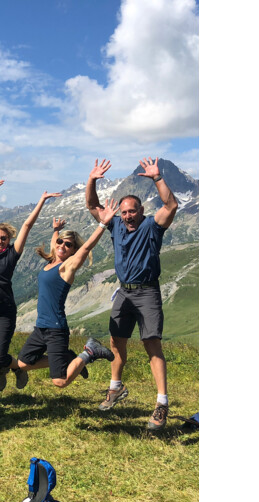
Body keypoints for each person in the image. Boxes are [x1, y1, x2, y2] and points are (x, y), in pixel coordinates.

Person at [84, 157, 179, 431]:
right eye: (124, 212)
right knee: (116, 341)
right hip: (123, 293)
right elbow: (92, 206)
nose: (127, 216)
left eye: (132, 211)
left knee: (152, 344)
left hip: (147, 292)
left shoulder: (152, 226)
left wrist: (157, 178)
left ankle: (162, 403)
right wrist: (92, 180)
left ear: (141, 211)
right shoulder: (114, 225)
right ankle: (116, 388)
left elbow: (171, 205)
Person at [13, 199, 119, 390]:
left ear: (73, 251)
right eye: (61, 242)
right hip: (41, 328)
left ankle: (90, 352)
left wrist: (103, 224)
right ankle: (68, 358)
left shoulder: (66, 267)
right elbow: (56, 243)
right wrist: (56, 230)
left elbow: (86, 248)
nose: (62, 245)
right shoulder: (53, 259)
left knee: (60, 381)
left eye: (68, 244)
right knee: (22, 363)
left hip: (55, 329)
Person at [0, 180, 61, 391]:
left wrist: (42, 200)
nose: (0, 241)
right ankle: (0, 369)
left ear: (9, 240)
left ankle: (17, 369)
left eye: (4, 238)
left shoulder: (12, 255)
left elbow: (27, 226)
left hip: (4, 311)